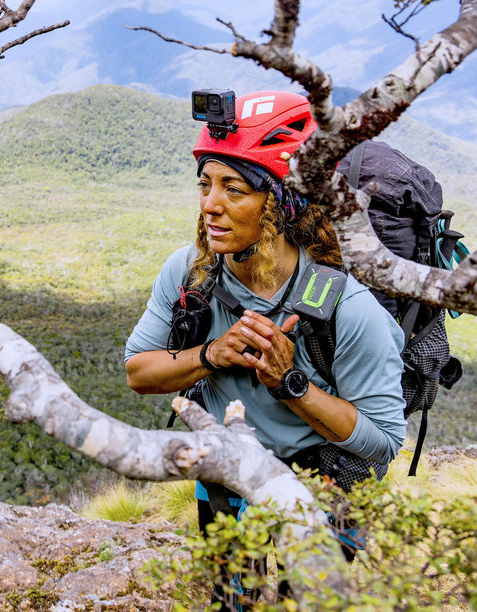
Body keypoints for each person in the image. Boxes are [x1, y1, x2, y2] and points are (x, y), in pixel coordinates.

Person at [123, 91, 407, 598]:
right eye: (206, 184)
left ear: (279, 201)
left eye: (234, 188)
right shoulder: (190, 274)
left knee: (308, 603)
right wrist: (210, 354)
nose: (211, 204)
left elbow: (382, 443)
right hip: (228, 478)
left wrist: (289, 383)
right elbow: (138, 372)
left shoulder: (347, 307)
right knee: (233, 601)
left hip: (324, 486)